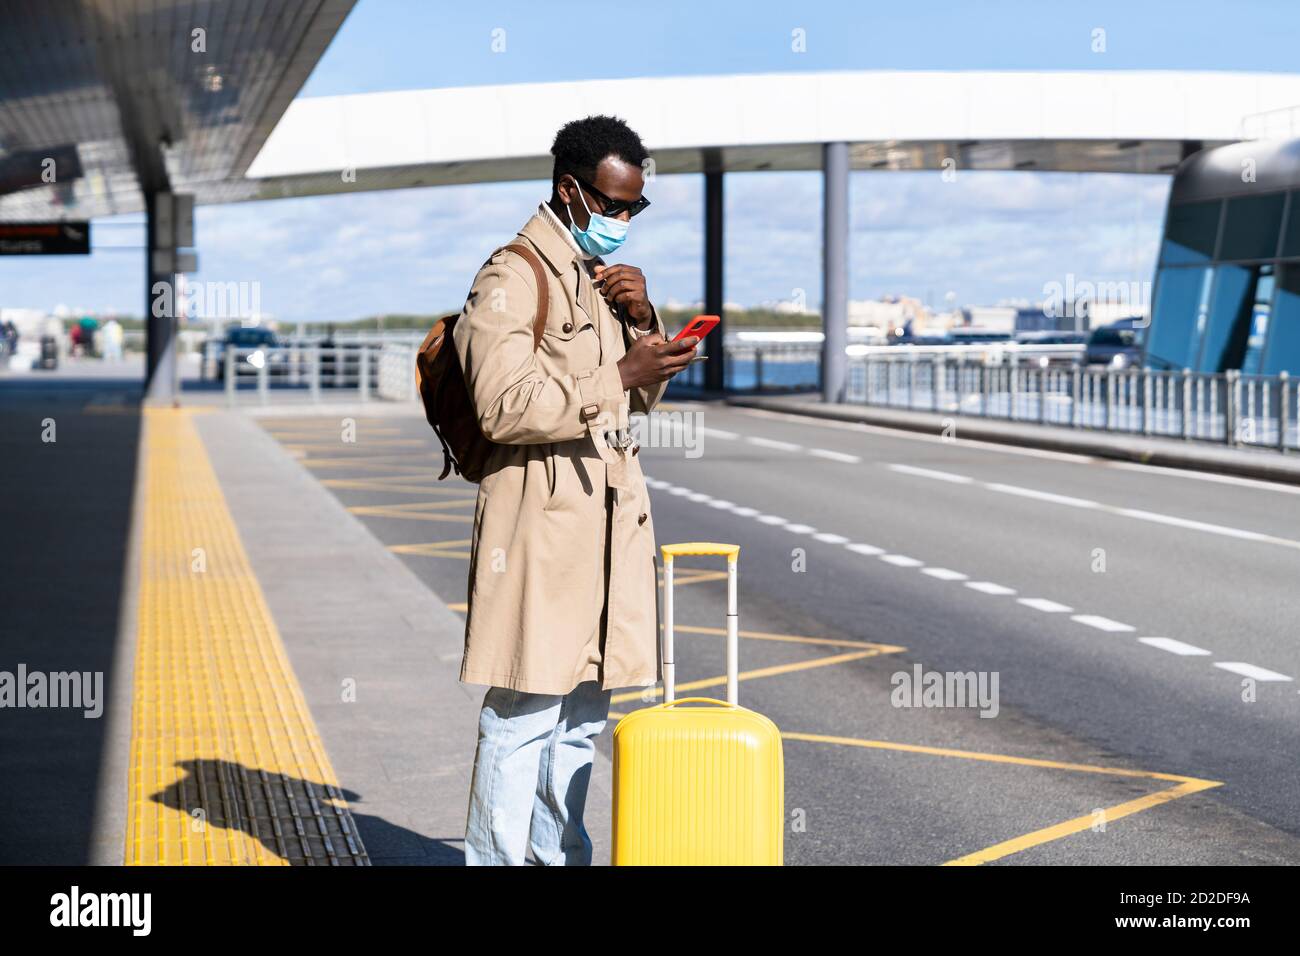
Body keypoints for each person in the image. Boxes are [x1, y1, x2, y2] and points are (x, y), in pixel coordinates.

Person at [454, 115, 699, 865]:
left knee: (583, 721)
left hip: (605, 535)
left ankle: (558, 858)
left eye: (635, 209)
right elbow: (502, 406)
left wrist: (645, 327)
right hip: (540, 531)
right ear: (570, 190)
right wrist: (619, 375)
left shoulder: (596, 281)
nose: (622, 221)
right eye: (614, 204)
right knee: (524, 714)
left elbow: (630, 399)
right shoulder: (511, 275)